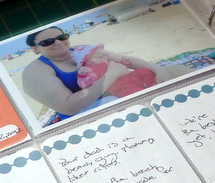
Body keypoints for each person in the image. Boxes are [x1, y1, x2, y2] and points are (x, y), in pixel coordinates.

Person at [20, 26, 190, 122]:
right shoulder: (35, 72)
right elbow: (69, 107)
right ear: (35, 49)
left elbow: (125, 60)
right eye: (48, 42)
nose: (58, 42)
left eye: (62, 37)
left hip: (121, 90)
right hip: (89, 111)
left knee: (176, 71)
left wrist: (158, 70)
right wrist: (111, 74)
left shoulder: (82, 50)